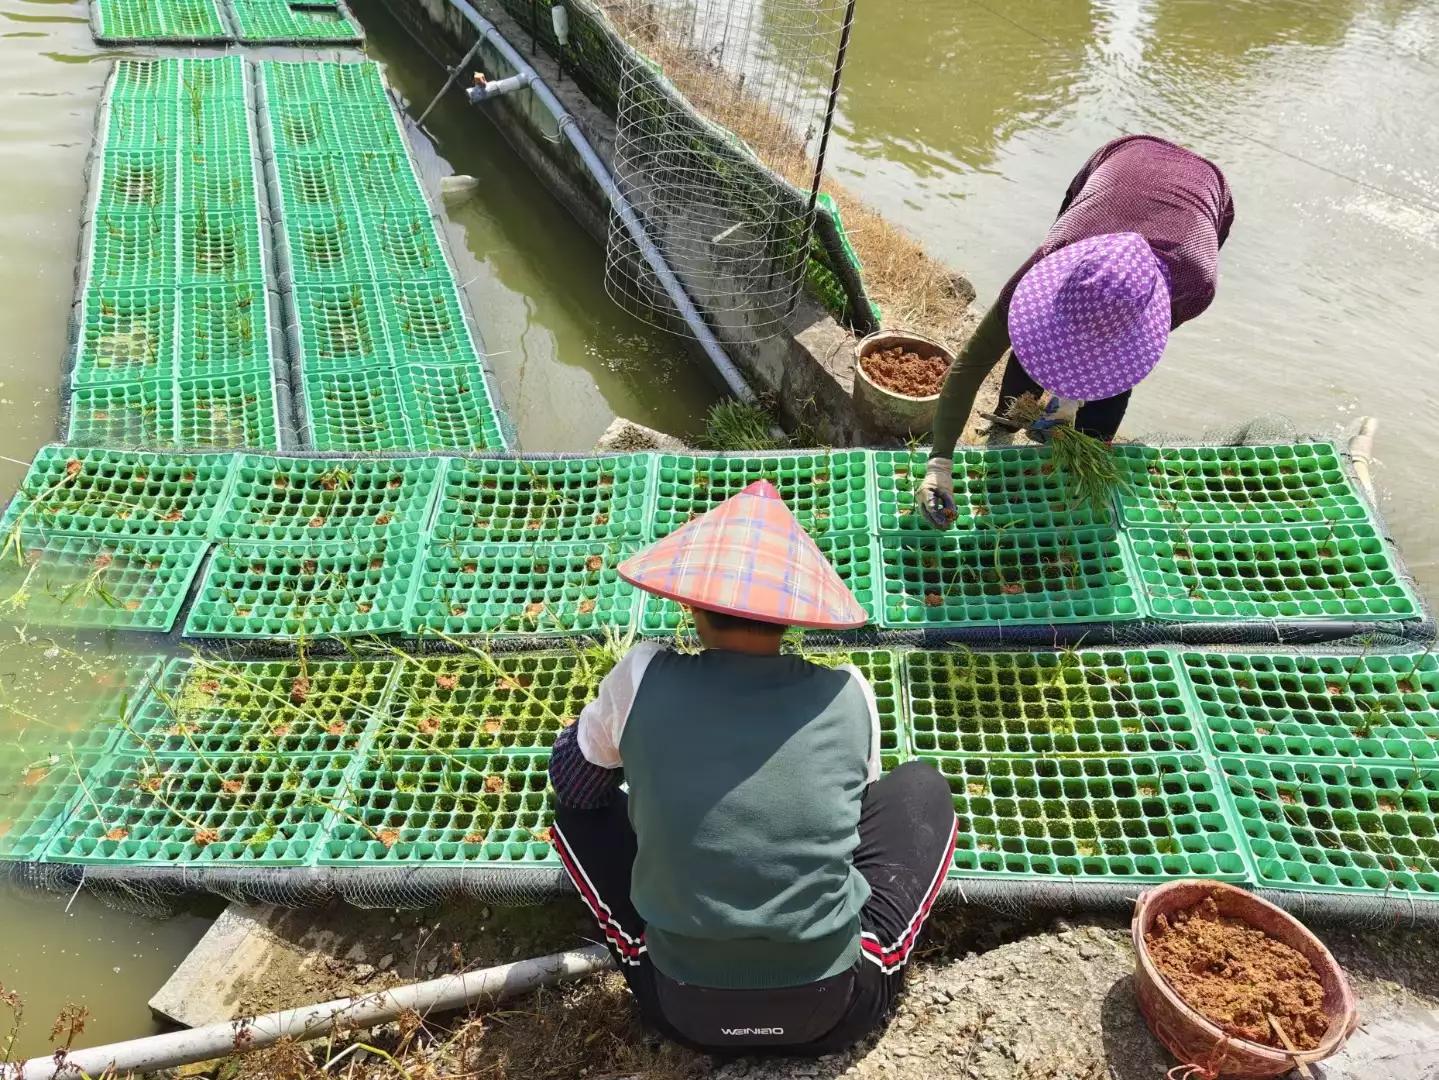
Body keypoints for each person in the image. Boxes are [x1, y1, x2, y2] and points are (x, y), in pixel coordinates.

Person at [548, 480, 957, 1056]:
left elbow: (575, 787)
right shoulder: (849, 694)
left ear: (690, 604)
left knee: (574, 815)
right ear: (793, 619)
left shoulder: (641, 675)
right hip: (834, 1009)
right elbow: (853, 812)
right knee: (923, 787)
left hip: (679, 1008)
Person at [917, 134, 1235, 528]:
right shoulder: (1055, 252)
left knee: (1109, 360)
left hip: (1207, 190)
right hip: (1123, 157)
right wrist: (939, 463)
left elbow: (1128, 341)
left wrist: (1075, 393)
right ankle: (1008, 423)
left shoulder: (1195, 285)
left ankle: (1070, 427)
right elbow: (971, 364)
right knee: (1051, 349)